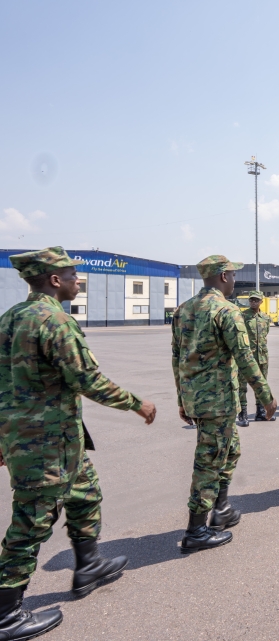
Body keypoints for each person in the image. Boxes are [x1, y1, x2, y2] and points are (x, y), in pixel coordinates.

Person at [0, 247, 157, 640]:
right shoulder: (55, 321)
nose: (77, 281)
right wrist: (137, 404)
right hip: (45, 443)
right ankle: (5, 613)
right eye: (73, 275)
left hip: (50, 439)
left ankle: (88, 564)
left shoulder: (11, 318)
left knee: (86, 493)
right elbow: (86, 380)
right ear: (55, 280)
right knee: (32, 522)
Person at [172, 255, 275, 553]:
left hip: (198, 398)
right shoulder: (227, 311)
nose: (234, 279)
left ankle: (222, 508)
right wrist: (265, 396)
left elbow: (177, 359)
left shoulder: (183, 310)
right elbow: (245, 357)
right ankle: (195, 530)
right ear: (223, 277)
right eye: (232, 274)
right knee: (209, 461)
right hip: (217, 401)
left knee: (231, 451)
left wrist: (181, 398)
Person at [238, 290, 271, 425]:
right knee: (242, 385)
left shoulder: (265, 317)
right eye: (251, 300)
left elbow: (265, 334)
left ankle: (260, 412)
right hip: (246, 357)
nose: (253, 302)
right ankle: (243, 414)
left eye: (256, 300)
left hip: (262, 356)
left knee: (261, 385)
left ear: (261, 301)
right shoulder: (242, 316)